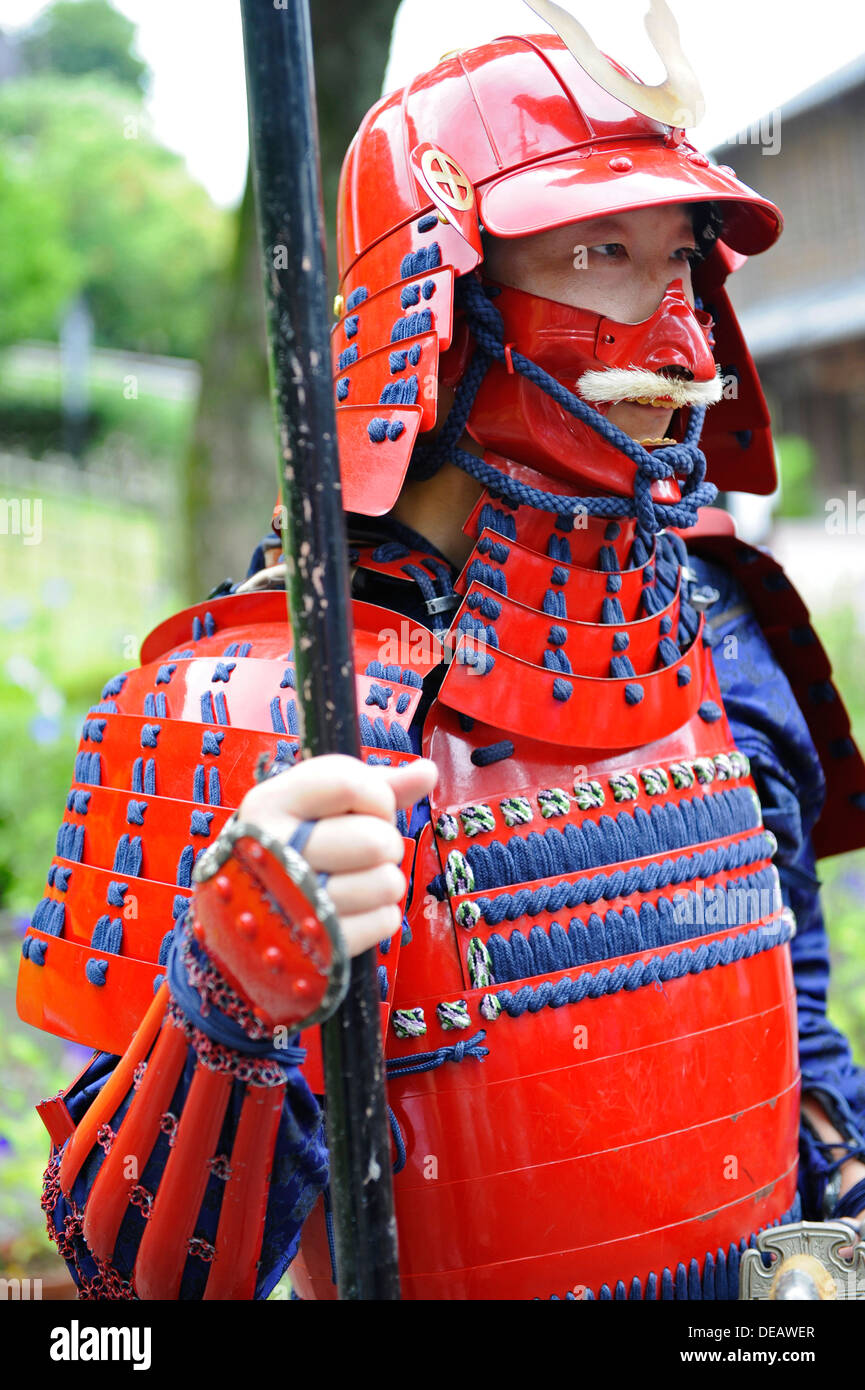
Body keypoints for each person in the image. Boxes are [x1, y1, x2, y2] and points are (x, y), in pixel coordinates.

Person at [19, 18, 865, 1301]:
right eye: (602, 252)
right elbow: (133, 1294)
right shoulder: (255, 697)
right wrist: (227, 1002)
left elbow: (795, 1028)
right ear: (441, 302)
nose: (682, 339)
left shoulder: (716, 626)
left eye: (681, 261)